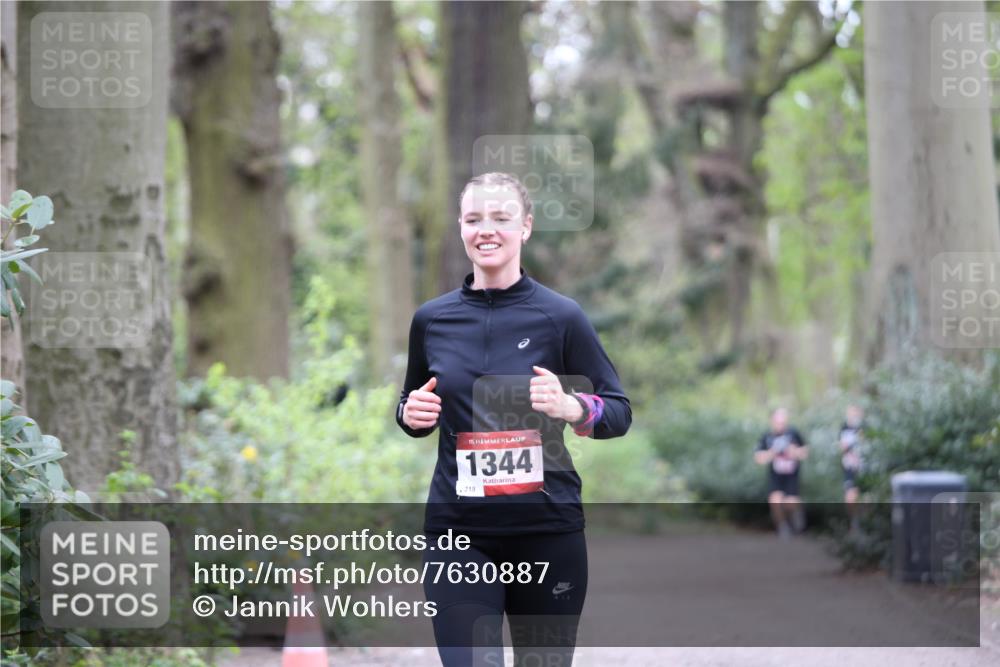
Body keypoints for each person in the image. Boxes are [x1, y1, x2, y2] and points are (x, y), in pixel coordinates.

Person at [396, 172, 631, 667]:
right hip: (458, 532)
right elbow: (413, 403)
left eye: (501, 218)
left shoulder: (560, 316)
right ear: (460, 226)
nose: (487, 229)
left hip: (546, 532)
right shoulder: (431, 321)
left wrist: (574, 407)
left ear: (525, 227)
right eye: (474, 218)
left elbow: (618, 410)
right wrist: (410, 414)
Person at [754, 408, 808, 538]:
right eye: (778, 422)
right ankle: (783, 527)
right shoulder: (767, 436)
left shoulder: (794, 433)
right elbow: (758, 458)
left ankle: (796, 516)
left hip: (791, 476)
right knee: (775, 501)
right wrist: (772, 453)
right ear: (772, 421)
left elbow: (805, 452)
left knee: (791, 504)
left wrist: (794, 451)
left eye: (783, 422)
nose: (781, 425)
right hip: (776, 477)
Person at [838, 404, 865, 531]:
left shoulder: (865, 427)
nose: (852, 416)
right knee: (850, 496)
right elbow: (841, 448)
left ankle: (865, 523)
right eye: (850, 413)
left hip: (864, 469)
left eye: (855, 413)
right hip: (849, 468)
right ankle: (854, 523)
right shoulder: (844, 428)